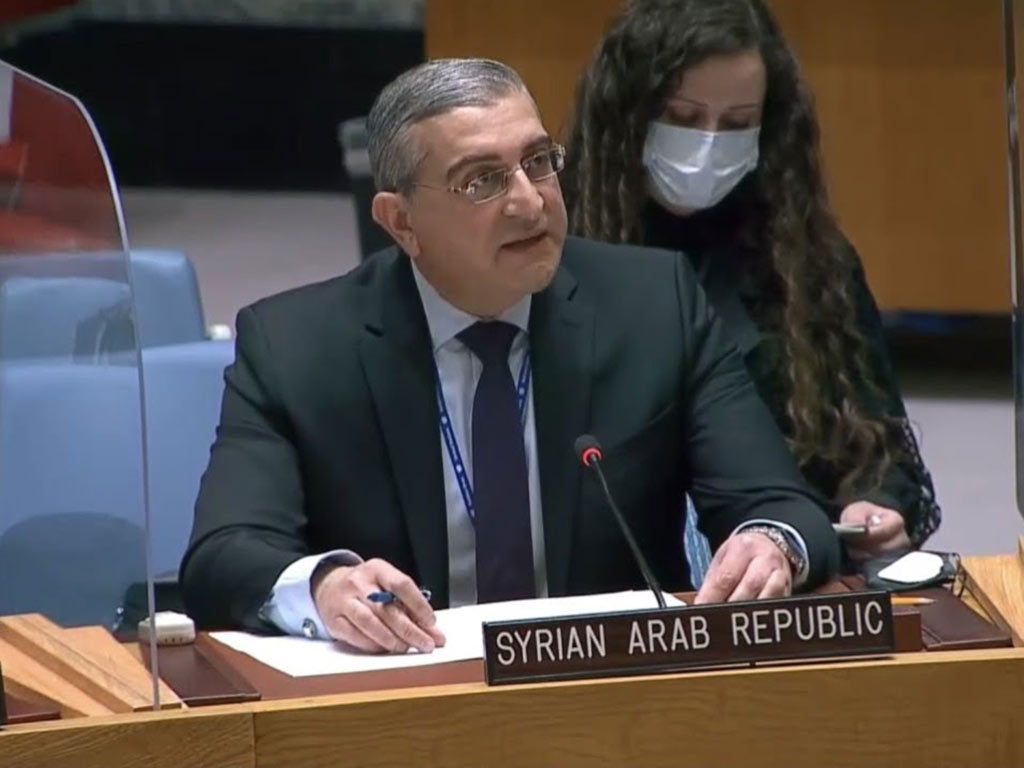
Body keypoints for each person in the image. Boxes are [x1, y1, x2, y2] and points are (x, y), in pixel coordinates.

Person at [181, 57, 839, 654]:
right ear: (401, 221)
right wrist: (323, 585)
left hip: (610, 685)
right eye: (482, 181)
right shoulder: (295, 345)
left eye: (539, 162)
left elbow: (783, 506)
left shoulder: (654, 307)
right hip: (406, 695)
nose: (529, 201)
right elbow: (223, 555)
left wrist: (772, 543)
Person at [563, 0, 940, 562]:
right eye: (683, 118)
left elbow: (878, 440)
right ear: (629, 112)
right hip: (608, 571)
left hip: (784, 561)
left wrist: (878, 504)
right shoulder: (554, 241)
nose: (708, 144)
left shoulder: (806, 254)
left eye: (738, 124)